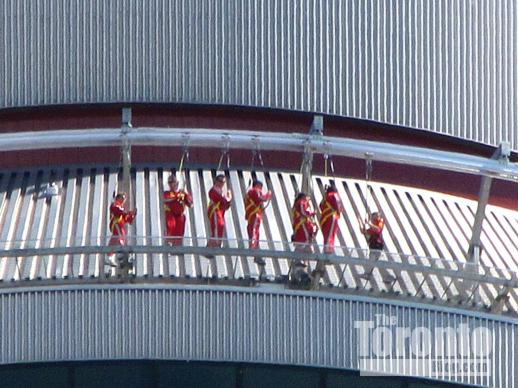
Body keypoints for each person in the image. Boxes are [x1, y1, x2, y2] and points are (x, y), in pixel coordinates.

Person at [107, 192, 137, 266]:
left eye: (124, 199)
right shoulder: (114, 205)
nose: (123, 200)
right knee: (119, 238)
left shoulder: (121, 208)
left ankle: (118, 257)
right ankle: (116, 256)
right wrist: (130, 213)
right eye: (122, 198)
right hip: (116, 224)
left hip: (121, 225)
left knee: (119, 240)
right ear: (118, 198)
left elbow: (127, 219)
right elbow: (118, 212)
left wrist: (133, 215)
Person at [163, 174, 193, 246]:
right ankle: (169, 241)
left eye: (173, 182)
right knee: (171, 225)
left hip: (180, 215)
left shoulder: (182, 193)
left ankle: (177, 246)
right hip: (171, 214)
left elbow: (190, 205)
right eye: (170, 183)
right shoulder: (167, 193)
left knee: (179, 232)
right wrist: (177, 197)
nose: (172, 184)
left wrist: (186, 198)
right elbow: (166, 199)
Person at [207, 174, 232, 249]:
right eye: (220, 181)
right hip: (215, 211)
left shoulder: (220, 191)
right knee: (218, 225)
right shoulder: (214, 190)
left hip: (219, 211)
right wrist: (229, 197)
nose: (221, 183)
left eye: (223, 182)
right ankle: (215, 244)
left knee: (219, 225)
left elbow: (226, 204)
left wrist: (228, 200)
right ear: (216, 181)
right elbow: (224, 200)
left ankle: (213, 244)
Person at [245, 180, 272, 250]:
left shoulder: (250, 192)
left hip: (251, 215)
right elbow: (262, 198)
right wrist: (268, 194)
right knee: (254, 230)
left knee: (253, 229)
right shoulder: (255, 190)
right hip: (254, 214)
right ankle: (253, 246)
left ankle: (254, 245)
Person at [319, 184, 343, 254]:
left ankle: (327, 250)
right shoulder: (335, 195)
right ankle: (329, 250)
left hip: (326, 217)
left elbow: (321, 206)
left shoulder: (327, 196)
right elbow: (339, 208)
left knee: (327, 234)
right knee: (331, 234)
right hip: (332, 217)